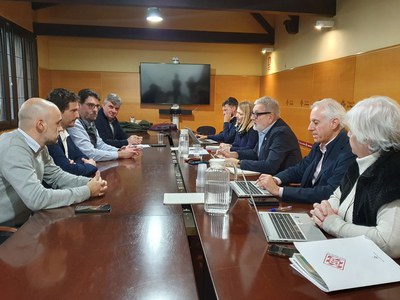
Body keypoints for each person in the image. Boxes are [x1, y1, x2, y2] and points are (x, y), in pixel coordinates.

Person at [311, 96, 400, 258]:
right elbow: (337, 196)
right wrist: (323, 209)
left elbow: (390, 243)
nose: (348, 135)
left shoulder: (393, 174)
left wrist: (333, 224)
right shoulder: (360, 162)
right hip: (349, 253)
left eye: (352, 131)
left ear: (368, 137)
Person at [0, 98, 107, 226]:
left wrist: (90, 183)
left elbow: (57, 177)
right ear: (41, 125)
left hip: (25, 222)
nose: (61, 129)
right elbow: (37, 198)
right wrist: (87, 191)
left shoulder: (40, 146)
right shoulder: (13, 149)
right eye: (57, 123)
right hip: (6, 231)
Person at [256, 98, 355, 203]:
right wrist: (275, 180)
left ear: (334, 123)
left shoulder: (349, 150)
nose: (310, 128)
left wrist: (278, 190)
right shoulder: (319, 144)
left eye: (315, 122)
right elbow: (300, 169)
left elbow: (329, 192)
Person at [221, 96, 301, 174]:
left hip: (282, 183)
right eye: (252, 114)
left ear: (270, 117)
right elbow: (255, 153)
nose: (252, 118)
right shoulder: (265, 129)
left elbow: (270, 166)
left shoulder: (281, 133)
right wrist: (234, 154)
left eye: (256, 114)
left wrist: (238, 163)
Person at [68, 89, 140, 162]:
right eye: (90, 105)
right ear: (79, 105)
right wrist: (120, 154)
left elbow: (100, 145)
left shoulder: (91, 122)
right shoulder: (75, 123)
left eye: (97, 106)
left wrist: (119, 150)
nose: (95, 110)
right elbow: (89, 153)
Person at [46, 88, 98, 177]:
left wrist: (75, 165)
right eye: (73, 111)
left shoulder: (64, 131)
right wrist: (90, 166)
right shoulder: (49, 136)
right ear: (58, 112)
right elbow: (67, 170)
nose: (77, 116)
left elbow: (82, 156)